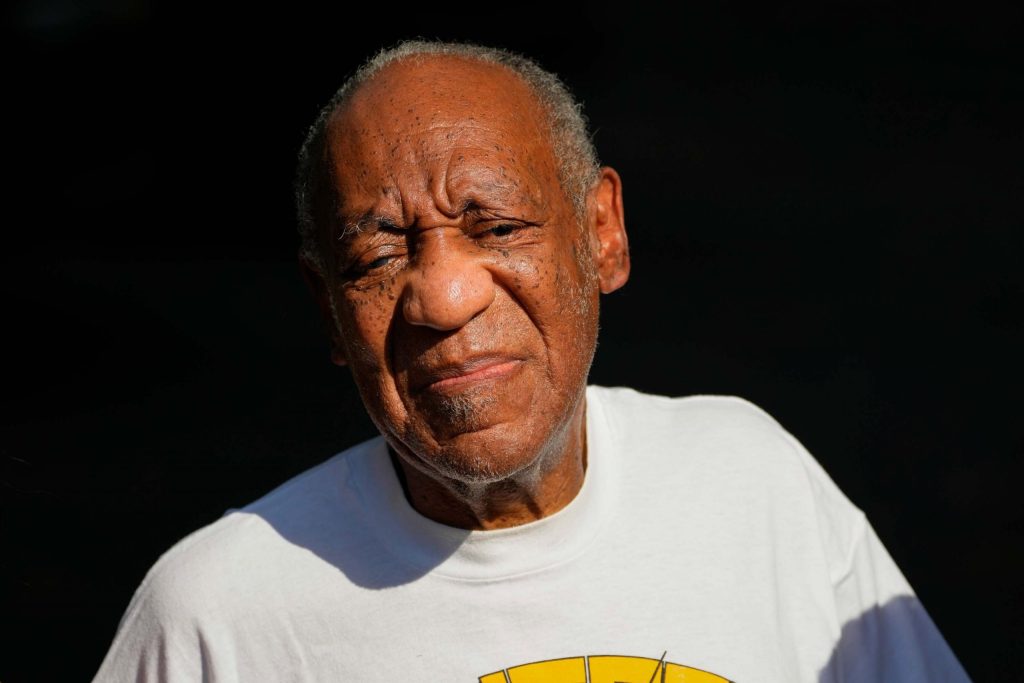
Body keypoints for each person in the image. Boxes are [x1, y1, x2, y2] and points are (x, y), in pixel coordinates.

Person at [93, 41, 969, 682]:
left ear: (602, 235)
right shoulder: (218, 615)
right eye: (378, 257)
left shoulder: (753, 483)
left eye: (498, 227)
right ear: (329, 309)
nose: (444, 296)